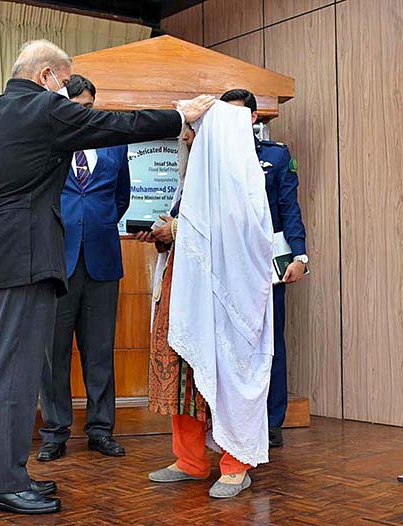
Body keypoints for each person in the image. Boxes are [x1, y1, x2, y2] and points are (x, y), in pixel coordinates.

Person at [0, 39, 214, 515]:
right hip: (25, 265)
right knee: (16, 376)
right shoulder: (44, 109)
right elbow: (115, 125)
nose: (66, 90)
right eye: (65, 81)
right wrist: (180, 114)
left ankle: (3, 476)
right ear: (47, 75)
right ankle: (2, 485)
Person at [138, 100, 275, 499]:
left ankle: (236, 464)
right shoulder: (193, 180)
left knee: (228, 377)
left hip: (225, 304)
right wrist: (165, 234)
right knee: (184, 374)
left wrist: (179, 231)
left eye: (194, 133)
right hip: (184, 293)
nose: (187, 140)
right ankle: (190, 460)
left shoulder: (241, 182)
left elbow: (238, 238)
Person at [38, 74, 129, 462]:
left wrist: (97, 225)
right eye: (77, 108)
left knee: (99, 352)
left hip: (102, 262)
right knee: (53, 353)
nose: (84, 114)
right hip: (58, 264)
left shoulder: (114, 144)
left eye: (89, 108)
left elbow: (120, 198)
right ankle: (55, 433)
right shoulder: (51, 146)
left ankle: (100, 429)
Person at [220, 88, 308, 448]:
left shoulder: (274, 155)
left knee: (271, 342)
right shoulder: (215, 158)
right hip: (227, 262)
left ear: (254, 118)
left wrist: (300, 257)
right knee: (231, 341)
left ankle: (271, 421)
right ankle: (234, 419)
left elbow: (289, 208)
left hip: (267, 262)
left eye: (239, 115)